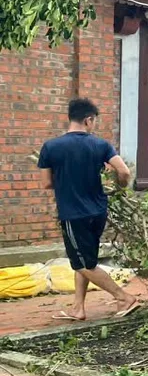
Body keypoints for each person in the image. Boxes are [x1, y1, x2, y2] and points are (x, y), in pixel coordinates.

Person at [37, 98, 139, 321]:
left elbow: (46, 183)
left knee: (81, 263)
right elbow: (124, 172)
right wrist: (119, 187)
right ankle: (78, 308)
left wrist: (66, 178)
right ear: (88, 120)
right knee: (86, 260)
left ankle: (124, 298)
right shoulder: (101, 145)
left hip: (74, 214)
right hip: (98, 211)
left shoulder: (51, 147)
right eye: (94, 122)